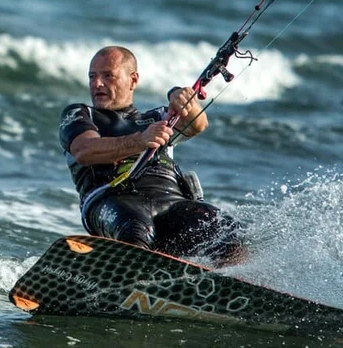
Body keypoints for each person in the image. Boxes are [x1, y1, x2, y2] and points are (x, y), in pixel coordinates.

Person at [59, 46, 246, 267]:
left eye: (108, 76)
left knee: (225, 229)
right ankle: (126, 286)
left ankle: (230, 286)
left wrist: (177, 95)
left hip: (172, 202)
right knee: (136, 229)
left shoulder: (158, 118)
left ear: (133, 80)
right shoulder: (81, 114)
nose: (97, 83)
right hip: (112, 200)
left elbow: (198, 124)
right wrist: (140, 140)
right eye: (92, 76)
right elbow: (84, 150)